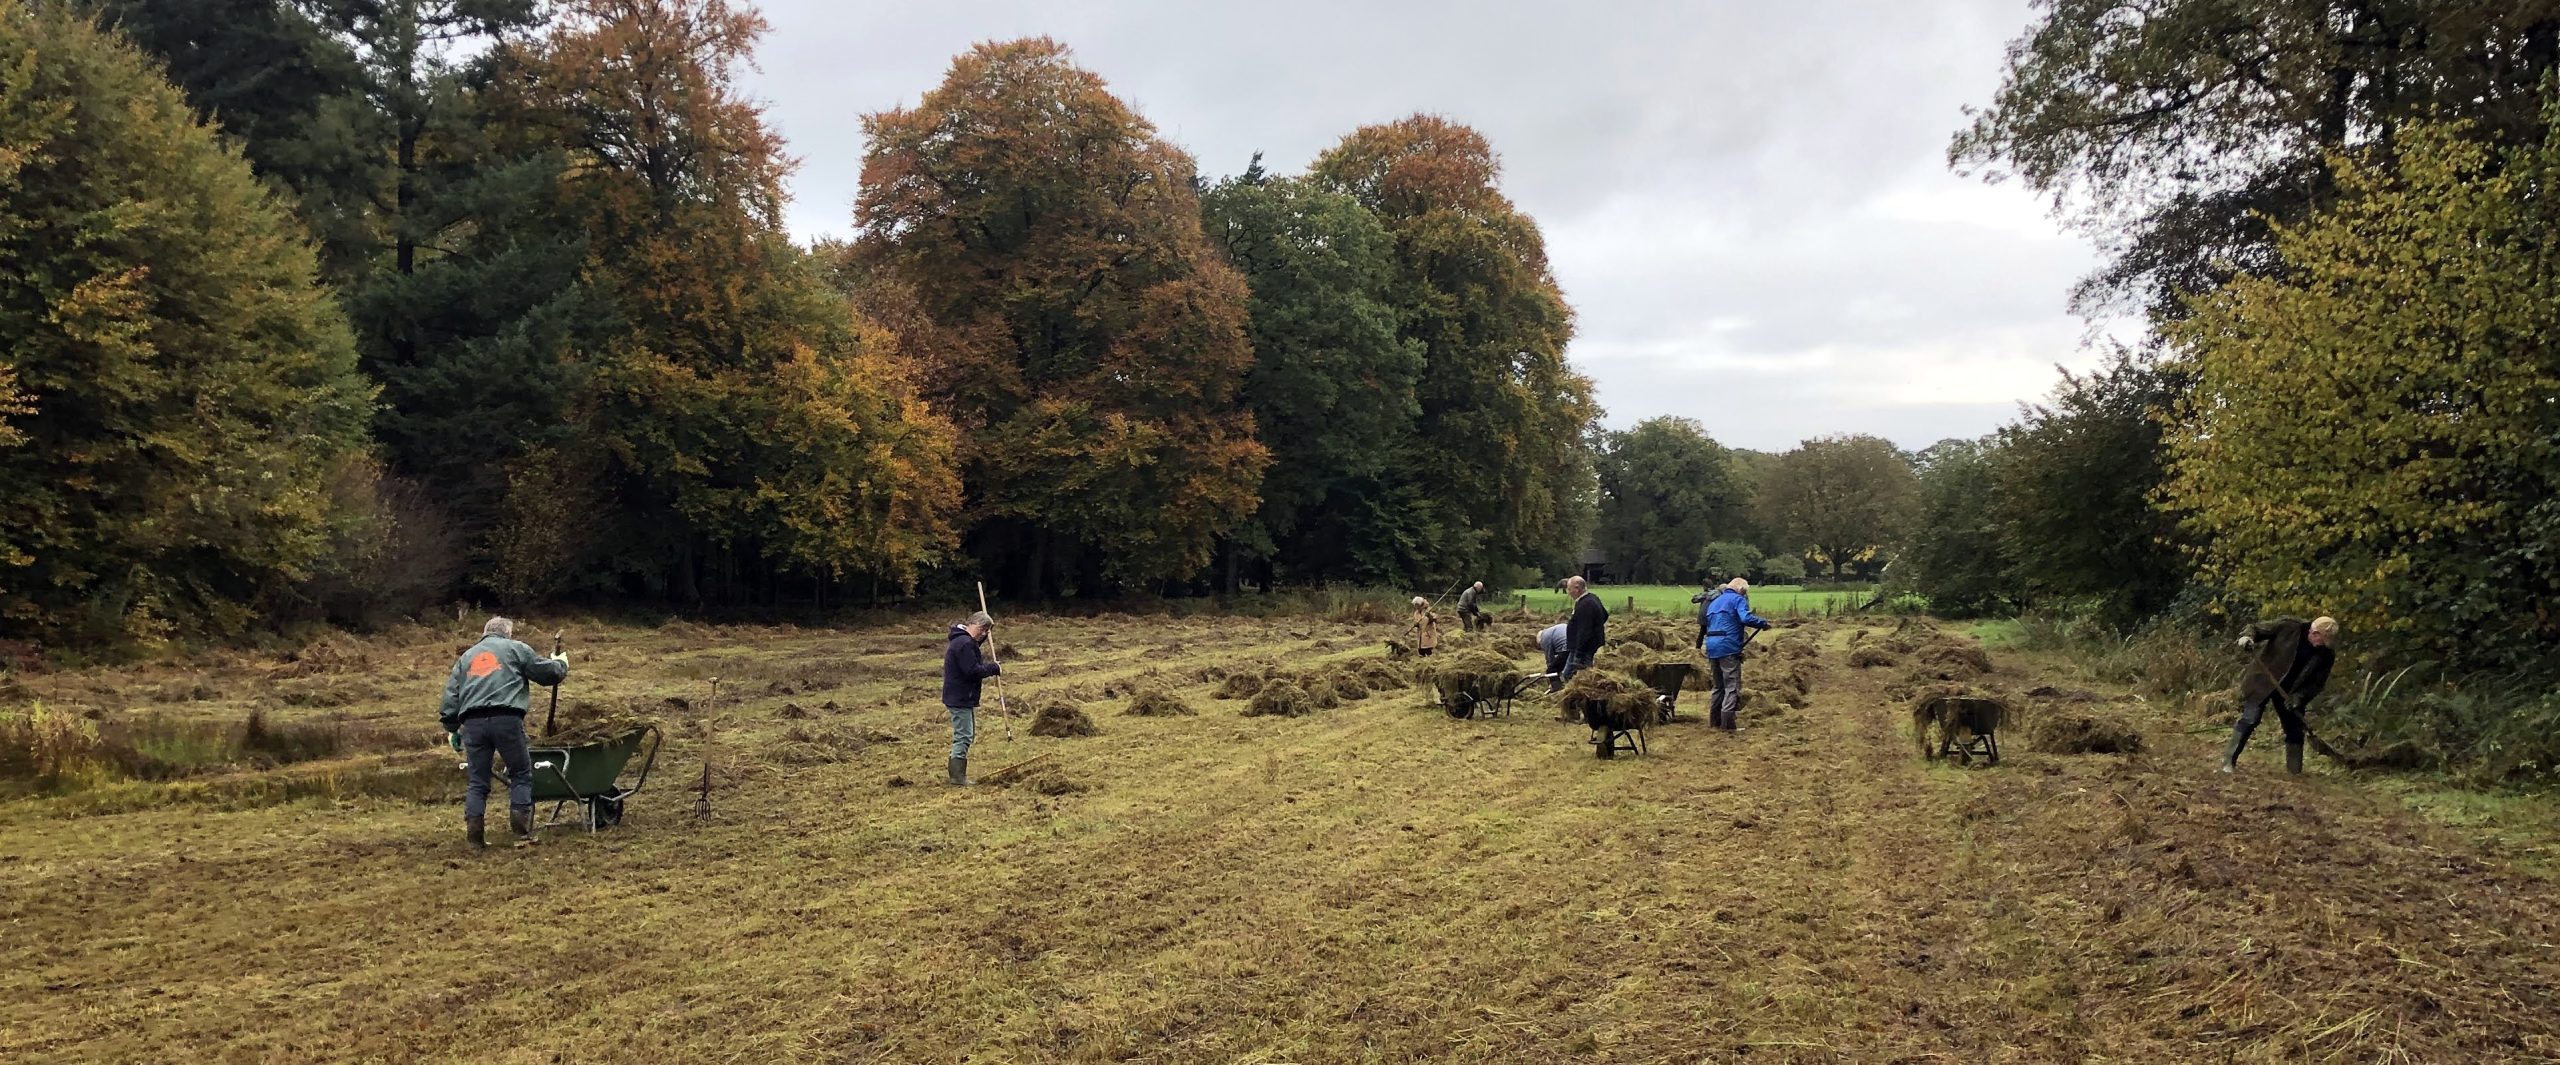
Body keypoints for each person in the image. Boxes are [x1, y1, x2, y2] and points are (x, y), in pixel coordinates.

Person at [438, 616, 569, 849]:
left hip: (473, 724)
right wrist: (560, 664)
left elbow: (451, 697)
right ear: (508, 632)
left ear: (485, 632)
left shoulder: (466, 658)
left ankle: (475, 838)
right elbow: (546, 673)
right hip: (506, 719)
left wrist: (452, 729)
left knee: (478, 781)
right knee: (520, 773)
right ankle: (521, 834)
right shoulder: (515, 648)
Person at [2220, 615, 2338, 775]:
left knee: (2295, 730)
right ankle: (2228, 761)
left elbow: (2317, 683)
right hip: (2263, 681)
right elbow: (2257, 628)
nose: (2323, 644)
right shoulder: (2289, 627)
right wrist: (2247, 637)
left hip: (2291, 693)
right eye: (2323, 640)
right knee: (2250, 719)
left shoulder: (2326, 655)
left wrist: (2299, 697)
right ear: (2315, 633)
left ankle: (2294, 772)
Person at [1701, 577, 1773, 732]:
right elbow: (1745, 617)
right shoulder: (1737, 600)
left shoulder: (1714, 602)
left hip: (1711, 646)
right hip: (1728, 647)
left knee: (1718, 686)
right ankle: (1728, 725)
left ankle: (1714, 722)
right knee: (1731, 686)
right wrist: (1762, 623)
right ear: (1741, 590)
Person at [943, 611, 1002, 786]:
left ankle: (957, 774)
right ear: (974, 624)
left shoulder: (964, 641)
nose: (984, 634)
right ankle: (957, 777)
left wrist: (982, 638)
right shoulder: (964, 644)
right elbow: (972, 670)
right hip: (960, 696)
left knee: (966, 734)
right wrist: (993, 668)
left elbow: (973, 659)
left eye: (987, 632)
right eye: (983, 629)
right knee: (964, 736)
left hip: (961, 696)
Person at [1560, 576, 1608, 682]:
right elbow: (1605, 615)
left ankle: (1563, 689)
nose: (1568, 592)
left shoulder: (1585, 605)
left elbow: (1584, 631)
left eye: (1569, 589)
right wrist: (1597, 627)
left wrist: (1579, 652)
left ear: (1577, 588)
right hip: (1584, 645)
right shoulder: (1593, 598)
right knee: (1572, 672)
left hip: (1582, 648)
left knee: (1579, 673)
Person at [1536, 622, 1570, 693]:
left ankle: (1556, 690)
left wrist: (1551, 680)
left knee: (1552, 670)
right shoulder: (1551, 631)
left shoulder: (1544, 639)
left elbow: (1550, 659)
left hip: (1567, 648)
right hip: (1576, 644)